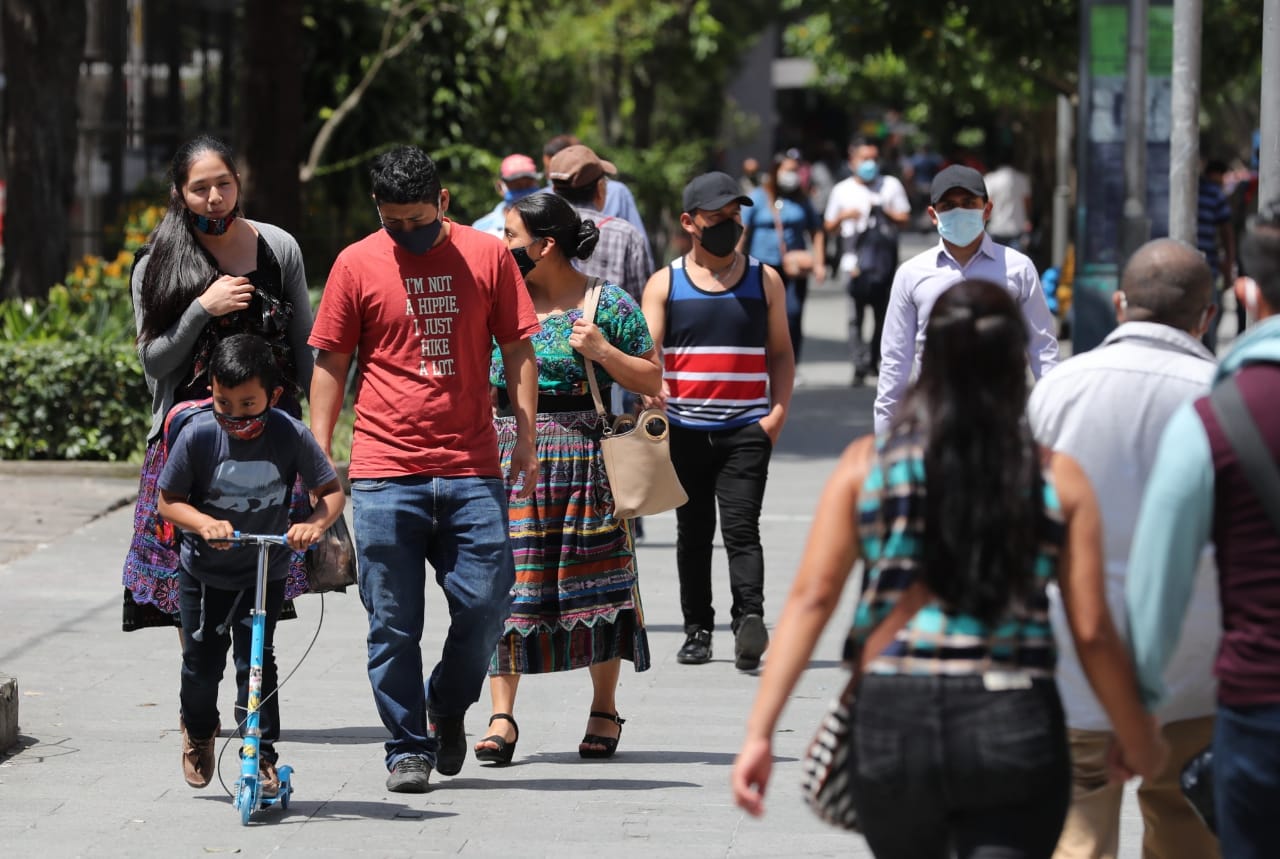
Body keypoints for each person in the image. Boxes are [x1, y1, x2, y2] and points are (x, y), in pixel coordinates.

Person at [732, 279, 1167, 858]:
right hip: (1013, 718)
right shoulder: (1056, 479)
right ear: (1015, 365)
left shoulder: (867, 467)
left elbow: (812, 599)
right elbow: (1091, 630)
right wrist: (1133, 732)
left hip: (894, 720)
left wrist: (760, 733)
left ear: (928, 362)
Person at [308, 145, 540, 793]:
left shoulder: (487, 256)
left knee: (490, 602)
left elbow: (519, 346)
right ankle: (406, 745)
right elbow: (330, 361)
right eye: (393, 221)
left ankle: (445, 701)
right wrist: (320, 454)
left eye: (417, 219)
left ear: (443, 202)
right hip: (385, 470)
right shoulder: (356, 263)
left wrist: (523, 433)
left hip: (472, 466)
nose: (406, 232)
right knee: (392, 621)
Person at [1028, 239, 1221, 859]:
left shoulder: (1059, 390)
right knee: (1186, 828)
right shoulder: (1223, 395)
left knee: (1075, 835)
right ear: (1207, 316)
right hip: (1193, 670)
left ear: (1118, 304)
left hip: (1073, 669)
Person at [471, 193, 662, 765]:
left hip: (588, 463)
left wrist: (603, 352)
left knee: (599, 582)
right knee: (505, 586)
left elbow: (654, 377)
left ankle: (604, 707)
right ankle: (501, 716)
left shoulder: (607, 303)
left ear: (545, 245)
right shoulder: (497, 302)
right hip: (510, 459)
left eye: (510, 236)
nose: (501, 246)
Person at [1127, 199, 1280, 858]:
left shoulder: (1217, 416)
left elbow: (1157, 584)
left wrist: (1139, 704)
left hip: (1260, 712)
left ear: (1245, 292)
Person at [123, 135, 316, 632]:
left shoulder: (278, 247)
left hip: (273, 439)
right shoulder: (155, 262)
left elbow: (305, 350)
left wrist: (318, 438)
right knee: (193, 597)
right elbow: (154, 363)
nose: (214, 199)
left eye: (224, 185)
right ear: (179, 193)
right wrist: (201, 309)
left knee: (262, 586)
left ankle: (252, 699)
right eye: (200, 188)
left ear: (238, 184)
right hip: (193, 444)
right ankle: (197, 707)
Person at [156, 333, 344, 796]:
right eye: (224, 402)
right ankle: (199, 731)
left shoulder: (289, 433)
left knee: (256, 662)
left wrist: (314, 524)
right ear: (211, 392)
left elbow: (333, 494)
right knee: (201, 663)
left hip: (265, 571)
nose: (235, 416)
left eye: (247, 404)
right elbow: (168, 501)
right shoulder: (199, 433)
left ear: (272, 396)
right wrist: (202, 523)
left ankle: (259, 752)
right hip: (204, 572)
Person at [640, 171, 795, 671]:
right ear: (690, 223)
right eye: (718, 218)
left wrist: (776, 414)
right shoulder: (666, 283)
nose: (730, 225)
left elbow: (782, 354)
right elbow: (648, 351)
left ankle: (749, 620)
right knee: (694, 531)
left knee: (741, 529)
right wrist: (652, 390)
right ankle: (697, 629)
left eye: (735, 217)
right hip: (685, 430)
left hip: (747, 430)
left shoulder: (763, 279)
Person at [874, 164, 1059, 434]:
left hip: (1002, 421)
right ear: (933, 215)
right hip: (934, 421)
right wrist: (885, 434)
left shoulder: (1018, 268)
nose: (959, 211)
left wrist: (1052, 423)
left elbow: (1043, 349)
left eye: (968, 202)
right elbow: (895, 358)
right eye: (948, 205)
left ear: (987, 210)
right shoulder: (911, 274)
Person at [824, 139, 911, 385]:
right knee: (855, 315)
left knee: (882, 314)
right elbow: (828, 226)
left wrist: (885, 210)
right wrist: (844, 215)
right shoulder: (842, 190)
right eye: (864, 159)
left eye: (874, 158)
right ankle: (858, 363)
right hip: (852, 262)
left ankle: (874, 358)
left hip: (883, 263)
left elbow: (905, 218)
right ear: (852, 162)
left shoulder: (890, 185)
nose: (870, 163)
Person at [742, 152, 825, 362]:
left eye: (795, 171)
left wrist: (819, 262)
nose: (791, 175)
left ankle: (790, 363)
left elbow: (816, 230)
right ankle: (761, 363)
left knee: (793, 315)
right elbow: (743, 229)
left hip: (793, 269)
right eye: (787, 170)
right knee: (760, 316)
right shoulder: (758, 197)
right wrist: (733, 261)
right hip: (762, 269)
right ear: (775, 171)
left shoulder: (802, 199)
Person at [548, 144, 653, 303]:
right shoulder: (625, 235)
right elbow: (641, 301)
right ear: (600, 188)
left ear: (554, 189)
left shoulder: (536, 230)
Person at [542, 134, 646, 236]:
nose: (547, 176)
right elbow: (639, 240)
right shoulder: (624, 233)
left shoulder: (542, 220)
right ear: (599, 189)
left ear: (554, 188)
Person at [1199, 158, 1238, 352]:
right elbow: (1227, 234)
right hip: (1208, 269)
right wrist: (1228, 267)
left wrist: (1228, 266)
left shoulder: (1213, 194)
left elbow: (1226, 233)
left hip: (1208, 268)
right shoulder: (1215, 194)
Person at [471, 153, 542, 239]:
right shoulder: (482, 230)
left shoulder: (551, 221)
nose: (524, 192)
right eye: (516, 186)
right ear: (500, 187)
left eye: (528, 185)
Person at [984, 155, 1034, 252]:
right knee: (1016, 263)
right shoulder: (1022, 179)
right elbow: (1027, 203)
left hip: (995, 228)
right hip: (1016, 228)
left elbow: (986, 205)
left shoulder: (990, 179)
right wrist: (1028, 219)